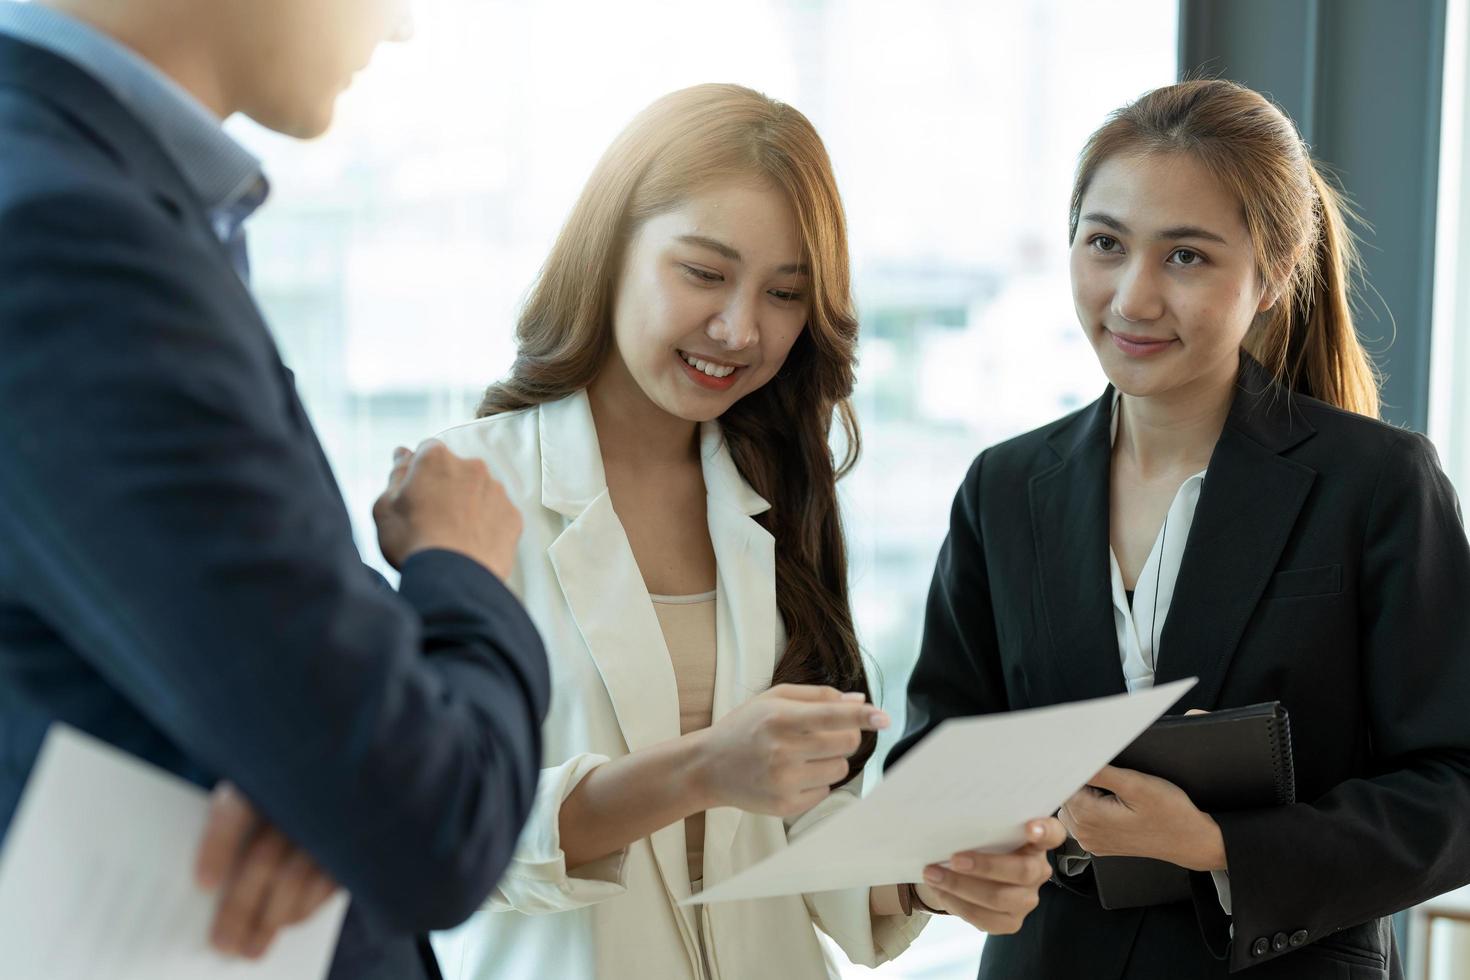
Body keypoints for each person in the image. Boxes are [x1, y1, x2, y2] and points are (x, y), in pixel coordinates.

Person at [428, 84, 1066, 980]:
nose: (741, 329)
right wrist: (699, 769)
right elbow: (434, 825)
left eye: (785, 293)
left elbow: (794, 823)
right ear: (610, 251)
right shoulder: (463, 490)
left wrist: (928, 878)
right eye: (702, 273)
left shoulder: (774, 487)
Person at [0, 2, 551, 978]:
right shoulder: (69, 233)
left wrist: (316, 768)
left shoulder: (76, 181)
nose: (401, 30)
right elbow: (433, 819)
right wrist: (464, 568)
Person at [888, 78, 1470, 979]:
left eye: (1187, 257)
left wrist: (1217, 846)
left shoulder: (1378, 484)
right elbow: (937, 755)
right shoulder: (1004, 488)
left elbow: (1457, 786)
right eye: (1105, 244)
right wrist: (949, 864)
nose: (1132, 298)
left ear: (1272, 273)